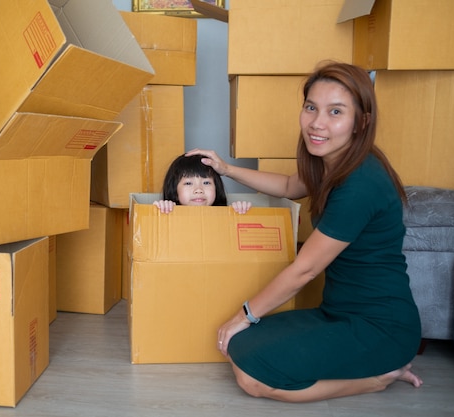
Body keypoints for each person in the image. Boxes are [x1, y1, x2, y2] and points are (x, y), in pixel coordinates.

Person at [185, 61, 423, 403]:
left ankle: (379, 378)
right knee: (241, 345)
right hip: (337, 314)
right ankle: (375, 367)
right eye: (311, 107)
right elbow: (286, 185)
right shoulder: (335, 162)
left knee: (252, 377)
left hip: (380, 327)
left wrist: (242, 314)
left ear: (362, 122)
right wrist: (224, 168)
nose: (317, 123)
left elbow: (305, 270)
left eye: (335, 112)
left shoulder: (360, 184)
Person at [153, 154, 252, 214]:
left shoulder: (224, 215)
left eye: (206, 182)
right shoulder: (168, 210)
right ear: (175, 191)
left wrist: (240, 210)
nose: (199, 189)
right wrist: (162, 207)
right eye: (188, 183)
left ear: (216, 188)